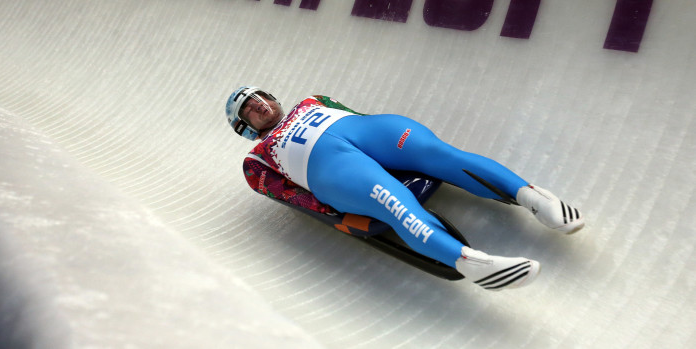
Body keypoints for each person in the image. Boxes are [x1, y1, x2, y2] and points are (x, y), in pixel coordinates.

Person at [226, 86, 585, 291]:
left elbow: (359, 116)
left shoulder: (313, 100)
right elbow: (294, 198)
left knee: (438, 153)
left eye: (259, 97)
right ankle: (470, 262)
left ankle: (534, 197)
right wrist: (338, 217)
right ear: (245, 126)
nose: (259, 105)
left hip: (369, 133)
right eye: (250, 109)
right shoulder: (256, 161)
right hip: (332, 170)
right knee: (394, 200)